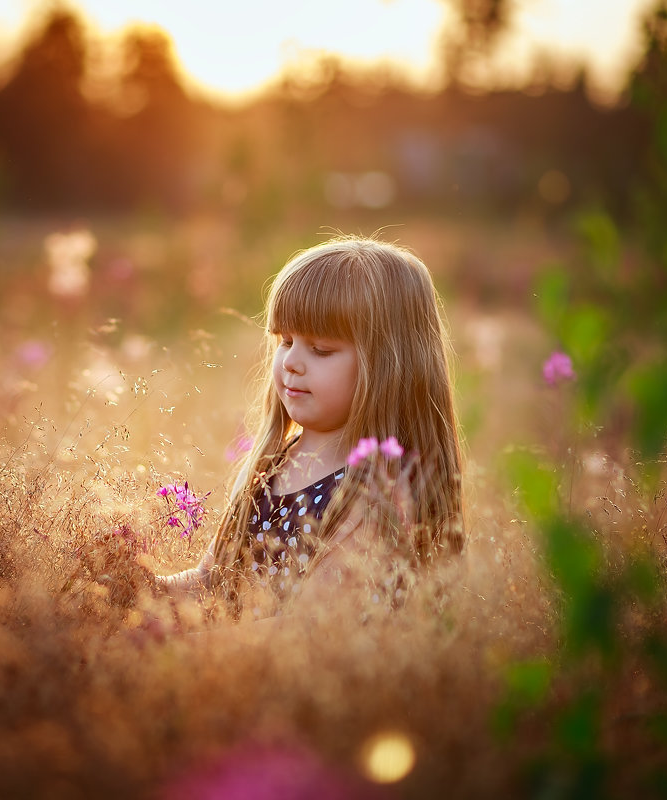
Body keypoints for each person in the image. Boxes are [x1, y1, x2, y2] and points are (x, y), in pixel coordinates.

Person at [158, 235, 463, 617]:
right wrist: (142, 587)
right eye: (285, 341)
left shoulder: (374, 495)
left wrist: (181, 651)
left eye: (320, 349)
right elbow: (212, 581)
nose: (291, 362)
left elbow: (301, 635)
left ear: (387, 366)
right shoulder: (270, 462)